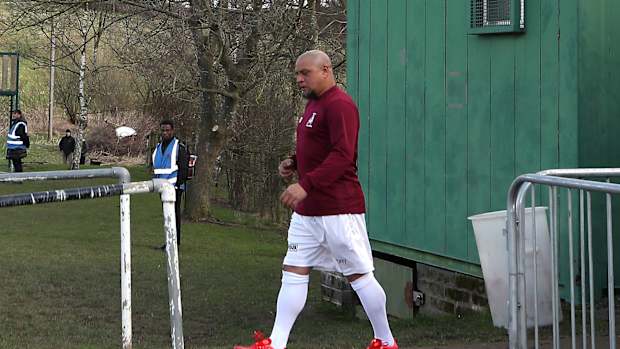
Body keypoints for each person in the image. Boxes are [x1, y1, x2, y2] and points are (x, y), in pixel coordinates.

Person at [235, 50, 397, 349]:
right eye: (297, 74)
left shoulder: (341, 105)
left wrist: (305, 184)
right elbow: (319, 148)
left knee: (359, 275)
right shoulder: (313, 105)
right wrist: (294, 162)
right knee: (293, 270)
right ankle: (276, 343)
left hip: (338, 210)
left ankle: (385, 341)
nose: (299, 79)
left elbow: (342, 156)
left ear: (325, 70)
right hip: (307, 213)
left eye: (304, 73)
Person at [152, 120, 188, 249]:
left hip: (175, 188)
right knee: (167, 215)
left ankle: (174, 242)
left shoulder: (179, 147)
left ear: (172, 131)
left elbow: (184, 169)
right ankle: (169, 241)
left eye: (167, 130)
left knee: (174, 215)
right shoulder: (157, 147)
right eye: (163, 130)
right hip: (161, 187)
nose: (165, 132)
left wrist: (178, 185)